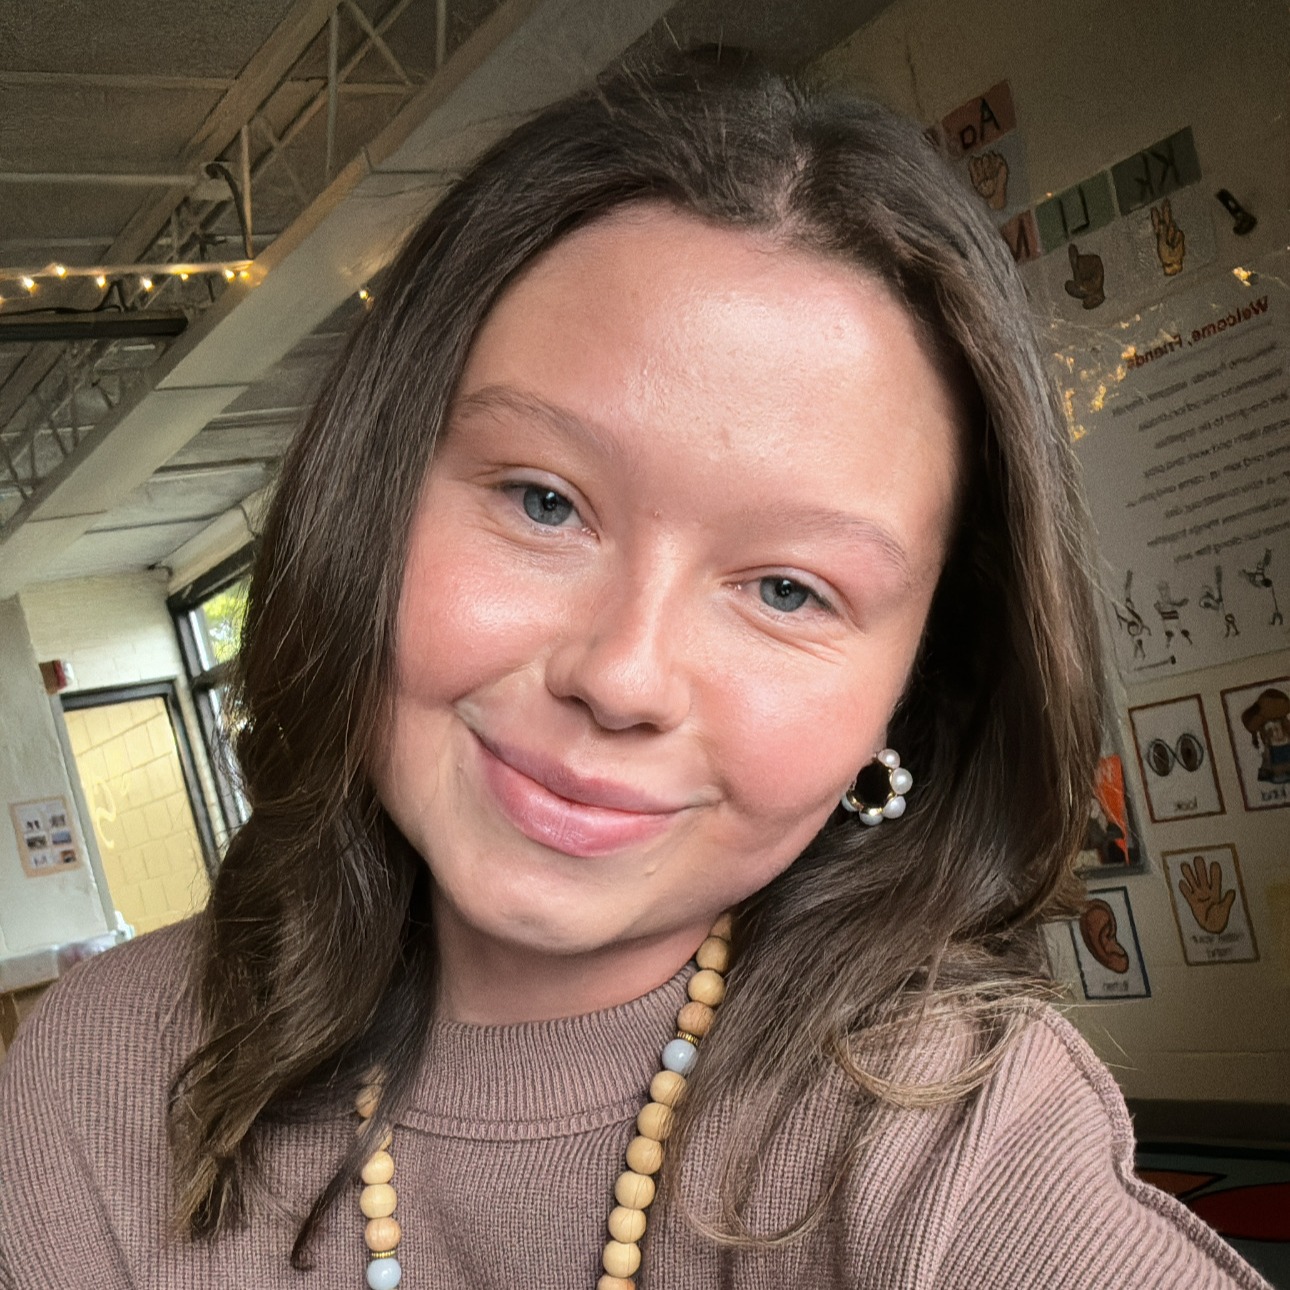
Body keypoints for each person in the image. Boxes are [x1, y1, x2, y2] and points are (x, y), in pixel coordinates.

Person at [0, 51, 1272, 1290]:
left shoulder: (940, 1128)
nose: (623, 676)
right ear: (369, 504)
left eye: (787, 589)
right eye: (546, 503)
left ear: (915, 687)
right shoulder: (95, 1075)